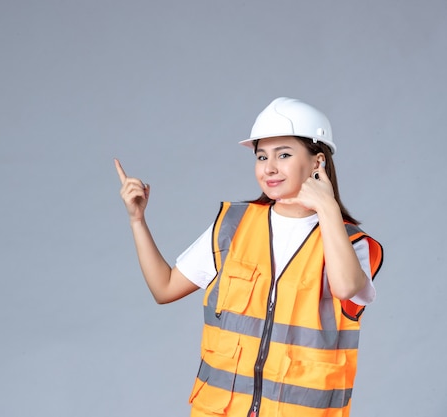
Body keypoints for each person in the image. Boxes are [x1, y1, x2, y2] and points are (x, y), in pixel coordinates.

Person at [114, 97, 384, 417]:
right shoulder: (233, 226)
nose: (269, 167)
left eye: (283, 154)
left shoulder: (352, 242)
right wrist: (137, 221)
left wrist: (326, 208)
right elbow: (164, 288)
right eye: (261, 156)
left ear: (317, 162)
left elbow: (344, 287)